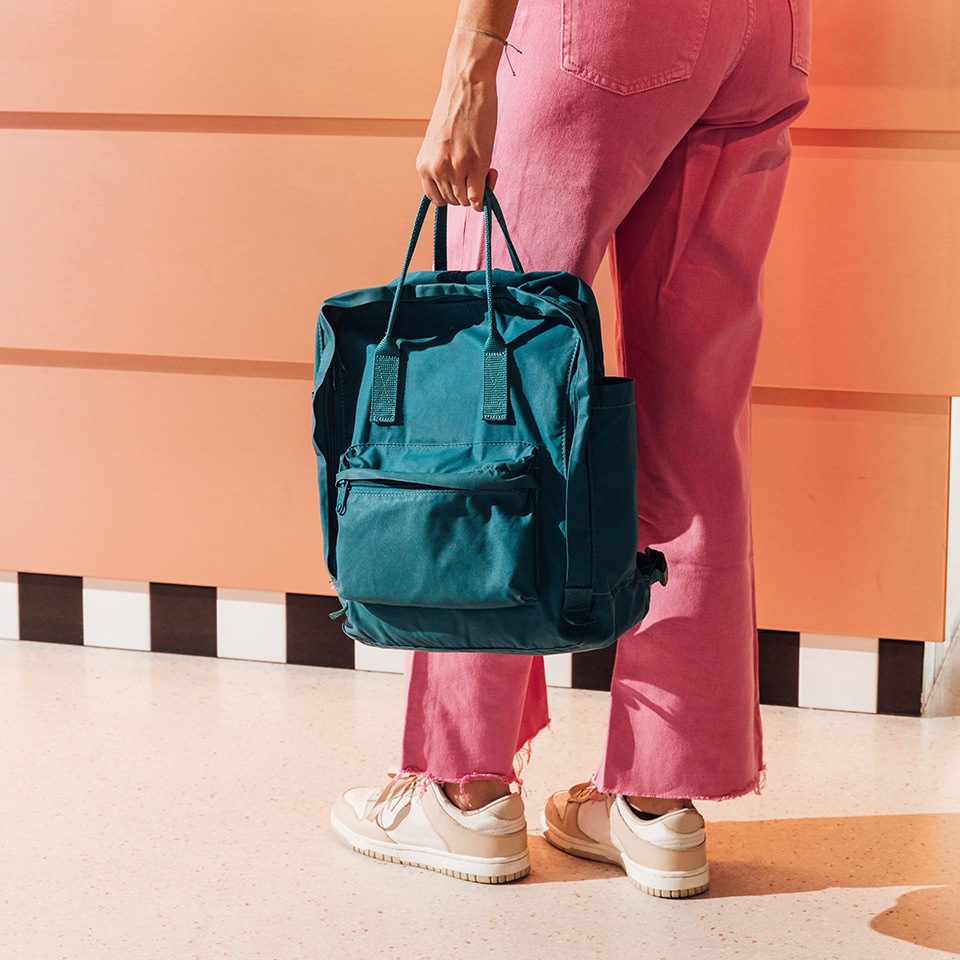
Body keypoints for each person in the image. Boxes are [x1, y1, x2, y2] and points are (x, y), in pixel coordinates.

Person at [330, 0, 811, 897]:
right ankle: (659, 806)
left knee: (497, 386)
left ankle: (462, 789)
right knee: (695, 423)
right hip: (765, 33)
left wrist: (471, 60)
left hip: (606, 30)